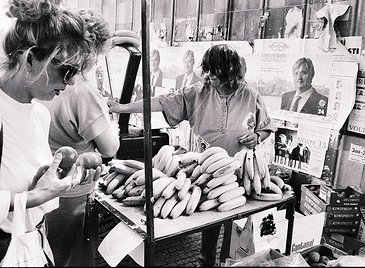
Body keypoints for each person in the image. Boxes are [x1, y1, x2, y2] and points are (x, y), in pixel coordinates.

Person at [107, 44, 277, 267]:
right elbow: (161, 102)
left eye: (215, 71)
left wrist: (257, 136)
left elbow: (266, 127)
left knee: (236, 227)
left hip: (241, 172)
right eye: (207, 69)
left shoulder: (250, 96)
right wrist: (123, 108)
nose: (209, 75)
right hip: (204, 170)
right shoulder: (198, 92)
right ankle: (204, 262)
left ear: (230, 71)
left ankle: (230, 263)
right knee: (208, 224)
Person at [0, 0, 101, 262]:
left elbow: (26, 183)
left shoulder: (40, 114)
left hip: (30, 244)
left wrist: (59, 179)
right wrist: (37, 195)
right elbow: (32, 195)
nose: (71, 84)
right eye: (67, 71)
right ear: (30, 58)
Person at [39, 9, 140, 267]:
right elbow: (110, 147)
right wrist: (108, 118)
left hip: (42, 187)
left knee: (48, 256)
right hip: (73, 195)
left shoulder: (44, 78)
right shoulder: (81, 91)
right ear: (90, 52)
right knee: (74, 259)